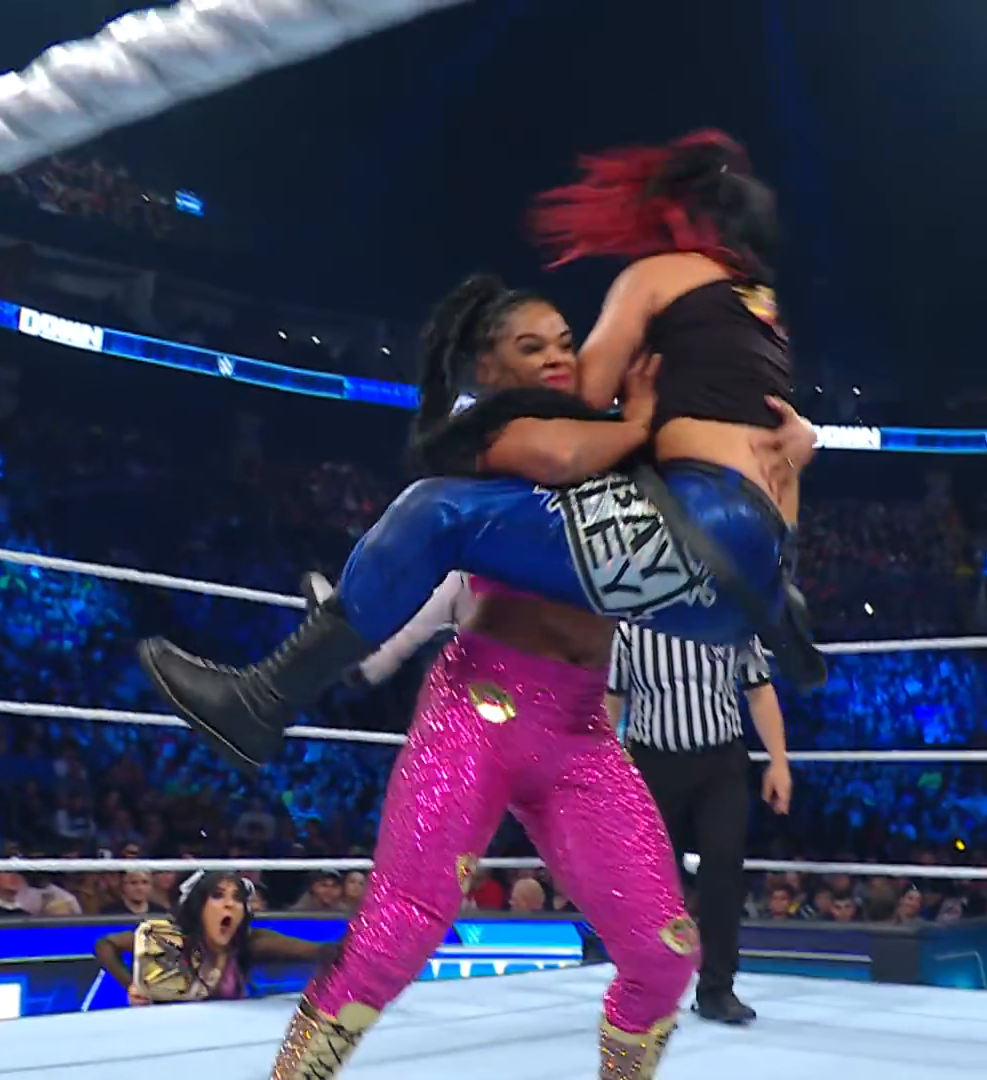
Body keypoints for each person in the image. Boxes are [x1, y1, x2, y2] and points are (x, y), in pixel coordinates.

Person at [139, 130, 821, 772]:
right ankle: (364, 621)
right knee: (515, 520)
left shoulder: (660, 275)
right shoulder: (764, 313)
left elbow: (581, 398)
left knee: (436, 511)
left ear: (684, 216)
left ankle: (262, 701)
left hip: (700, 534)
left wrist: (591, 390)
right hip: (746, 592)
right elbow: (770, 441)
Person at [265, 277, 718, 1080]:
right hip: (481, 706)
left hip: (581, 727)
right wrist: (642, 419)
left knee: (666, 952)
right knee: (403, 925)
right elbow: (562, 458)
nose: (556, 359)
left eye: (564, 343)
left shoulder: (612, 440)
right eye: (530, 346)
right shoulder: (496, 436)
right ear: (488, 366)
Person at [606, 622, 793, 1025]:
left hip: (720, 763)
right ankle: (649, 984)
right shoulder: (630, 626)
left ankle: (717, 988)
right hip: (654, 763)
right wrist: (607, 766)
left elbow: (759, 689)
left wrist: (778, 762)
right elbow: (612, 697)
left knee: (724, 865)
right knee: (652, 880)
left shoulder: (731, 617)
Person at [93, 870, 330, 1005]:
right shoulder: (170, 940)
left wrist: (346, 951)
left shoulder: (247, 943)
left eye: (237, 898)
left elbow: (318, 951)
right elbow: (105, 944)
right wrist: (131, 985)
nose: (229, 904)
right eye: (218, 896)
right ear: (199, 906)